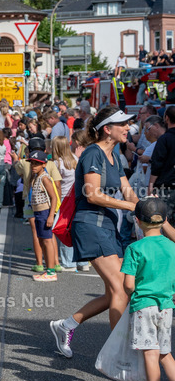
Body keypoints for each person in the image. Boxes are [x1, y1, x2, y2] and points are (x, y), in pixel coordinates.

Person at [50, 106, 140, 358]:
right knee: (122, 288)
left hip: (109, 228)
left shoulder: (116, 157)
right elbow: (92, 194)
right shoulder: (93, 153)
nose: (128, 128)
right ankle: (119, 353)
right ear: (107, 129)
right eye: (122, 124)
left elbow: (127, 190)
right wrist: (130, 206)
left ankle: (66, 324)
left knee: (114, 291)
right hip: (91, 226)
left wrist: (142, 208)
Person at [121, 198, 175, 381]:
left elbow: (128, 284)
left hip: (144, 306)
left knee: (150, 353)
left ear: (137, 221)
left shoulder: (135, 248)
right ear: (165, 220)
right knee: (165, 353)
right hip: (166, 305)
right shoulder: (172, 247)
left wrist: (129, 296)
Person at [28, 150, 60, 281]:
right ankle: (48, 269)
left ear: (44, 165)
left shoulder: (45, 178)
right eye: (32, 163)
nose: (34, 166)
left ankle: (51, 271)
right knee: (42, 240)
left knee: (47, 241)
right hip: (38, 212)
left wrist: (51, 215)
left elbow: (53, 198)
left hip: (45, 212)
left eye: (37, 164)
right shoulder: (36, 177)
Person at [52, 136, 78, 270]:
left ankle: (68, 262)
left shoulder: (57, 163)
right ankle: (81, 261)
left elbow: (55, 184)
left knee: (62, 230)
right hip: (75, 197)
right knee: (74, 230)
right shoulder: (75, 159)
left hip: (62, 199)